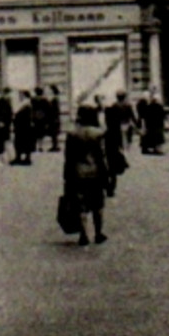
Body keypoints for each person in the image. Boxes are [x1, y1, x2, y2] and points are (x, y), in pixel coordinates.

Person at [62, 103, 111, 246]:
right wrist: (107, 175)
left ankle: (83, 235)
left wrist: (66, 175)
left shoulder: (72, 134)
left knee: (81, 204)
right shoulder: (99, 133)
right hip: (95, 172)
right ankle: (98, 233)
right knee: (98, 204)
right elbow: (102, 156)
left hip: (77, 173)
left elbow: (68, 157)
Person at [100, 94, 129, 197]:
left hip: (106, 142)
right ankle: (111, 187)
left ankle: (106, 185)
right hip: (114, 142)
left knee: (104, 165)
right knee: (112, 166)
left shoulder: (105, 118)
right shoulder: (116, 123)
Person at [11, 92, 37, 165]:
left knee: (23, 143)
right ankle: (22, 157)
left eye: (22, 95)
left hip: (24, 127)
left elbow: (24, 116)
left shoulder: (26, 105)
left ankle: (23, 158)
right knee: (22, 143)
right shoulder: (26, 105)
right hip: (22, 127)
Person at [44, 85, 63, 153]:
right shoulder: (55, 98)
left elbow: (55, 110)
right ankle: (54, 146)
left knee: (54, 133)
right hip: (54, 118)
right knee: (53, 133)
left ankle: (55, 146)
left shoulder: (54, 99)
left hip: (53, 118)